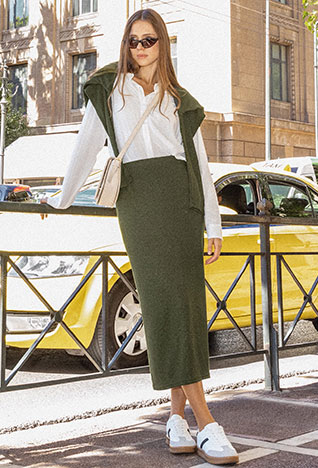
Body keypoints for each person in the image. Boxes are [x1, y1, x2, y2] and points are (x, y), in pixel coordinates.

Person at [45, 8, 238, 466]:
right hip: (140, 204)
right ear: (125, 45)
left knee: (186, 307)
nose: (140, 49)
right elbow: (86, 145)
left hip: (182, 202)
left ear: (163, 45)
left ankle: (177, 420)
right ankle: (208, 421)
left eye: (149, 41)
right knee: (165, 304)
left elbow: (200, 165)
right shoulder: (109, 88)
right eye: (133, 41)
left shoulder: (179, 99)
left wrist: (213, 224)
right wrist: (62, 197)